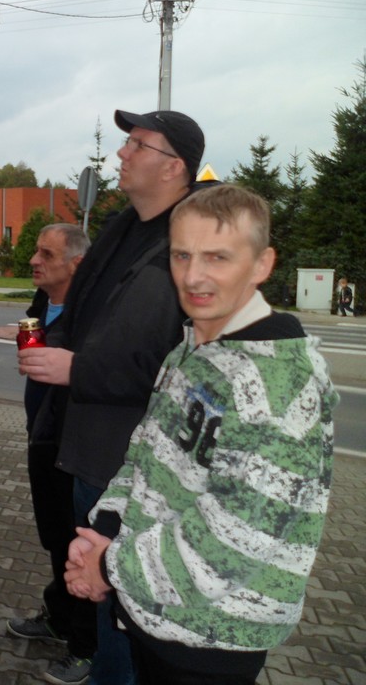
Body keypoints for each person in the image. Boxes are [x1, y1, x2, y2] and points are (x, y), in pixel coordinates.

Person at [64, 184, 337, 685]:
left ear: (262, 264)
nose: (193, 276)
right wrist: (105, 528)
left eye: (218, 257)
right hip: (157, 609)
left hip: (211, 636)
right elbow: (145, 456)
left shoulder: (279, 384)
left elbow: (232, 542)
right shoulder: (192, 347)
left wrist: (108, 567)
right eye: (182, 255)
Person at [14, 109, 205, 685]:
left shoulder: (189, 243)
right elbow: (82, 317)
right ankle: (88, 652)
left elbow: (179, 364)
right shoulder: (123, 228)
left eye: (138, 144)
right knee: (91, 586)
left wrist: (78, 368)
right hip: (86, 447)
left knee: (124, 605)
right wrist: (54, 350)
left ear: (173, 167)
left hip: (135, 462)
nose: (122, 153)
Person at [8, 225, 95, 669]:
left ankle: (85, 648)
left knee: (77, 544)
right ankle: (59, 619)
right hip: (41, 435)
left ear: (76, 264)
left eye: (46, 254)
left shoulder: (93, 312)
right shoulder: (43, 302)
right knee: (54, 538)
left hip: (73, 446)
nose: (34, 260)